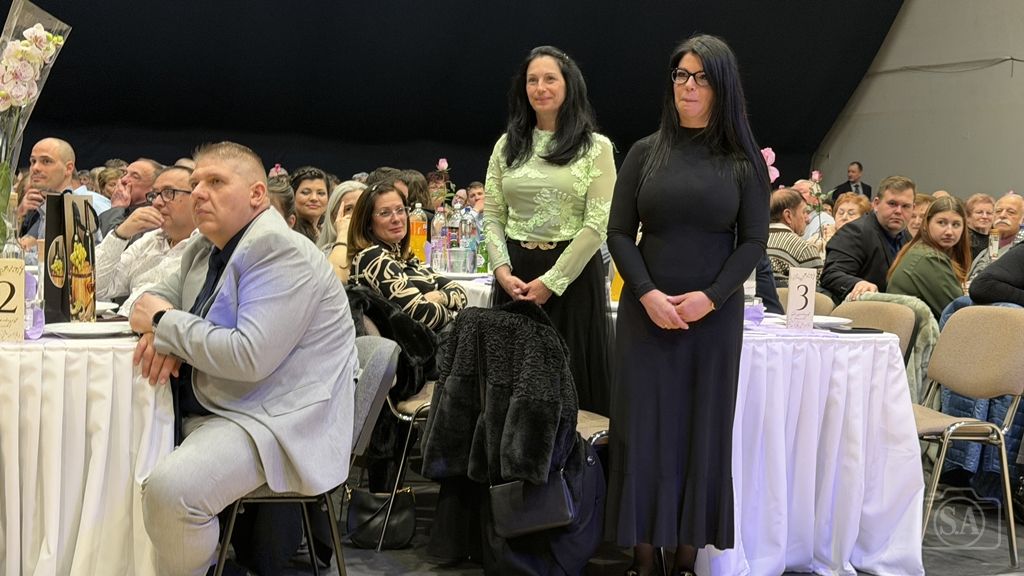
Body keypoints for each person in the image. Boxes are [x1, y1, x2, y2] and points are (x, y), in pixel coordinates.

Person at [128, 141, 357, 576]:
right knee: (118, 449)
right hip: (226, 400)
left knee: (173, 491)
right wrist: (160, 324)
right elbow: (152, 297)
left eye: (216, 182)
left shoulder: (279, 250)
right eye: (196, 182)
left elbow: (247, 355)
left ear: (257, 194)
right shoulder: (205, 246)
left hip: (277, 418)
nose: (199, 192)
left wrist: (162, 324)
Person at [605, 34, 769, 576]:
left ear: (721, 86)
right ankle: (643, 559)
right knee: (642, 433)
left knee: (701, 433)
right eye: (681, 75)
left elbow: (753, 242)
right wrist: (647, 293)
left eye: (700, 77)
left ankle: (684, 559)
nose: (688, 86)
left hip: (712, 322)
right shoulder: (644, 153)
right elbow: (619, 233)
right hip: (645, 316)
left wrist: (712, 298)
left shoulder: (742, 161)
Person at [483, 45, 616, 415]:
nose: (540, 88)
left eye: (549, 79)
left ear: (569, 84)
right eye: (532, 80)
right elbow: (491, 215)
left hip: (571, 278)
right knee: (513, 385)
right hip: (515, 275)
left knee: (568, 388)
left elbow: (597, 225)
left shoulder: (595, 148)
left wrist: (552, 282)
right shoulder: (507, 145)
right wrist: (501, 270)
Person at [348, 182, 467, 330]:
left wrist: (439, 297)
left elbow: (460, 291)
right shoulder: (372, 258)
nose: (396, 218)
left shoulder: (404, 256)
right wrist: (454, 312)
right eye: (385, 213)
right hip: (421, 342)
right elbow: (424, 316)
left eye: (400, 210)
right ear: (368, 223)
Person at [95, 166, 198, 314]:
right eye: (155, 194)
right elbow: (96, 286)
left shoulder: (204, 247)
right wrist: (121, 234)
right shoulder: (151, 239)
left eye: (169, 193)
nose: (157, 202)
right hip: (122, 323)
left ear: (196, 198)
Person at [820, 175, 915, 303]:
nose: (898, 211)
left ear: (913, 208)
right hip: (859, 310)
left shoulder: (908, 239)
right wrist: (858, 283)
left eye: (906, 206)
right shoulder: (854, 232)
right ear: (876, 204)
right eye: (892, 204)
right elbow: (831, 275)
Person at [886, 196, 971, 320]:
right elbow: (960, 315)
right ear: (926, 224)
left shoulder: (920, 249)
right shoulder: (929, 258)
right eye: (941, 223)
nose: (949, 231)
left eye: (956, 224)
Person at [16, 138, 78, 245]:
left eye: (46, 161)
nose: (35, 168)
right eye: (33, 161)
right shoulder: (41, 209)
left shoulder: (76, 211)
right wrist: (19, 214)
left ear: (68, 168)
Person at [767, 187, 822, 287]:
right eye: (804, 212)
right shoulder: (804, 249)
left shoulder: (751, 243)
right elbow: (817, 291)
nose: (808, 219)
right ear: (788, 216)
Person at [966, 192, 1024, 283]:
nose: (1002, 215)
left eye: (1011, 212)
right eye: (998, 211)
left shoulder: (1020, 251)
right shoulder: (985, 252)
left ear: (1022, 219)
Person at [99, 158, 162, 238]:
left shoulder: (152, 218)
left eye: (135, 176)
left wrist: (116, 208)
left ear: (153, 189)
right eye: (125, 173)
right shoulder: (124, 210)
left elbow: (114, 243)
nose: (123, 179)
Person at [321, 180, 367, 284]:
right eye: (349, 209)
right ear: (334, 217)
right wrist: (342, 235)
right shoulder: (325, 254)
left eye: (362, 207)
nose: (357, 214)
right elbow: (334, 282)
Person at [289, 165, 330, 242]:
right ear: (292, 195)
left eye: (321, 193)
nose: (314, 198)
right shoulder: (287, 231)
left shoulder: (328, 232)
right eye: (305, 192)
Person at [964, 193, 996, 258]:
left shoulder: (995, 238)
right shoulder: (963, 239)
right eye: (979, 212)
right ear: (968, 217)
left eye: (989, 213)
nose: (985, 216)